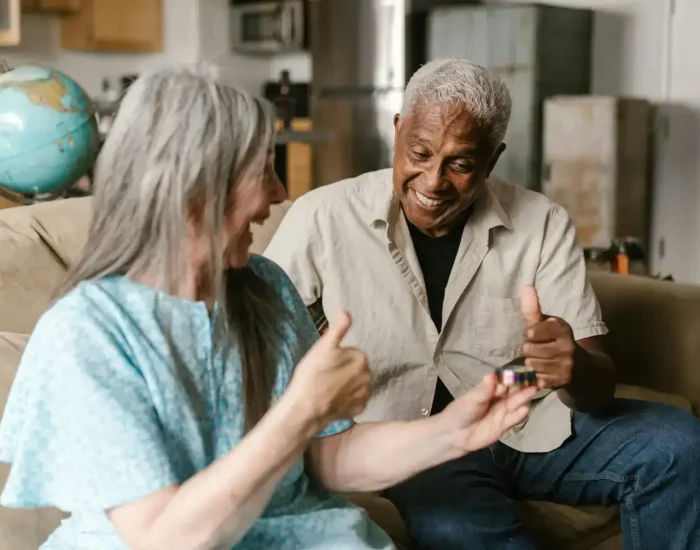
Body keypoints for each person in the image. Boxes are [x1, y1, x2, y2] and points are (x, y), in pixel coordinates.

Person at [0, 67, 537, 550]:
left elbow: (328, 458)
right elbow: (164, 538)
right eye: (263, 171)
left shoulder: (265, 285)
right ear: (197, 188)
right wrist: (300, 409)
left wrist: (453, 432)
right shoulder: (88, 332)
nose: (279, 194)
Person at [264, 58, 700, 550]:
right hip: (417, 445)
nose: (432, 182)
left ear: (493, 159)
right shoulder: (322, 218)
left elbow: (595, 384)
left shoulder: (541, 223)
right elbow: (254, 339)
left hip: (529, 422)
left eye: (461, 163)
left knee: (679, 444)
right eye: (420, 153)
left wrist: (572, 365)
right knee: (460, 528)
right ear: (396, 131)